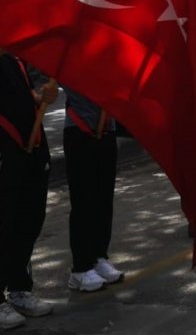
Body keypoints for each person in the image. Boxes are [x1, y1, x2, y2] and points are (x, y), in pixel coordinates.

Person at [0, 39, 59, 329]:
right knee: (0, 226)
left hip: (33, 147)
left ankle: (20, 289)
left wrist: (44, 97)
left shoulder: (16, 60)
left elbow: (25, 97)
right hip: (4, 151)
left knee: (29, 221)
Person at [62, 87, 123, 293]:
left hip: (107, 128)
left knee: (103, 199)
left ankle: (99, 257)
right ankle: (80, 268)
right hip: (79, 131)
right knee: (83, 201)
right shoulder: (71, 56)